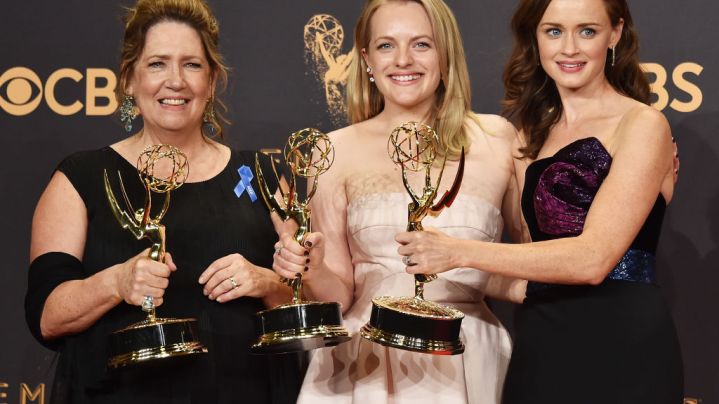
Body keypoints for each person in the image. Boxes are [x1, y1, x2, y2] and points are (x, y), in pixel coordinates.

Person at [395, 0, 684, 402]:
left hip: (622, 344)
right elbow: (531, 265)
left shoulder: (642, 124)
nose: (569, 48)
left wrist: (457, 253)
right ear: (535, 37)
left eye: (587, 31)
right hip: (541, 342)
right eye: (553, 31)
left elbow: (593, 258)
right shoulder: (530, 140)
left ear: (614, 34)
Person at [24, 1, 303, 403]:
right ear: (129, 80)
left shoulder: (260, 174)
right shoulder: (81, 177)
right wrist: (117, 281)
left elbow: (301, 301)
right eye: (157, 64)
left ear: (211, 81)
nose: (175, 81)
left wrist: (267, 281)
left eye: (191, 64)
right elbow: (47, 318)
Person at [272, 0, 526, 402]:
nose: (403, 60)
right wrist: (312, 267)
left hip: (464, 356)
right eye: (387, 45)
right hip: (363, 365)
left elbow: (528, 266)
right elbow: (338, 295)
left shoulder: (497, 139)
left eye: (421, 44)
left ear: (446, 54)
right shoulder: (334, 151)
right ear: (366, 58)